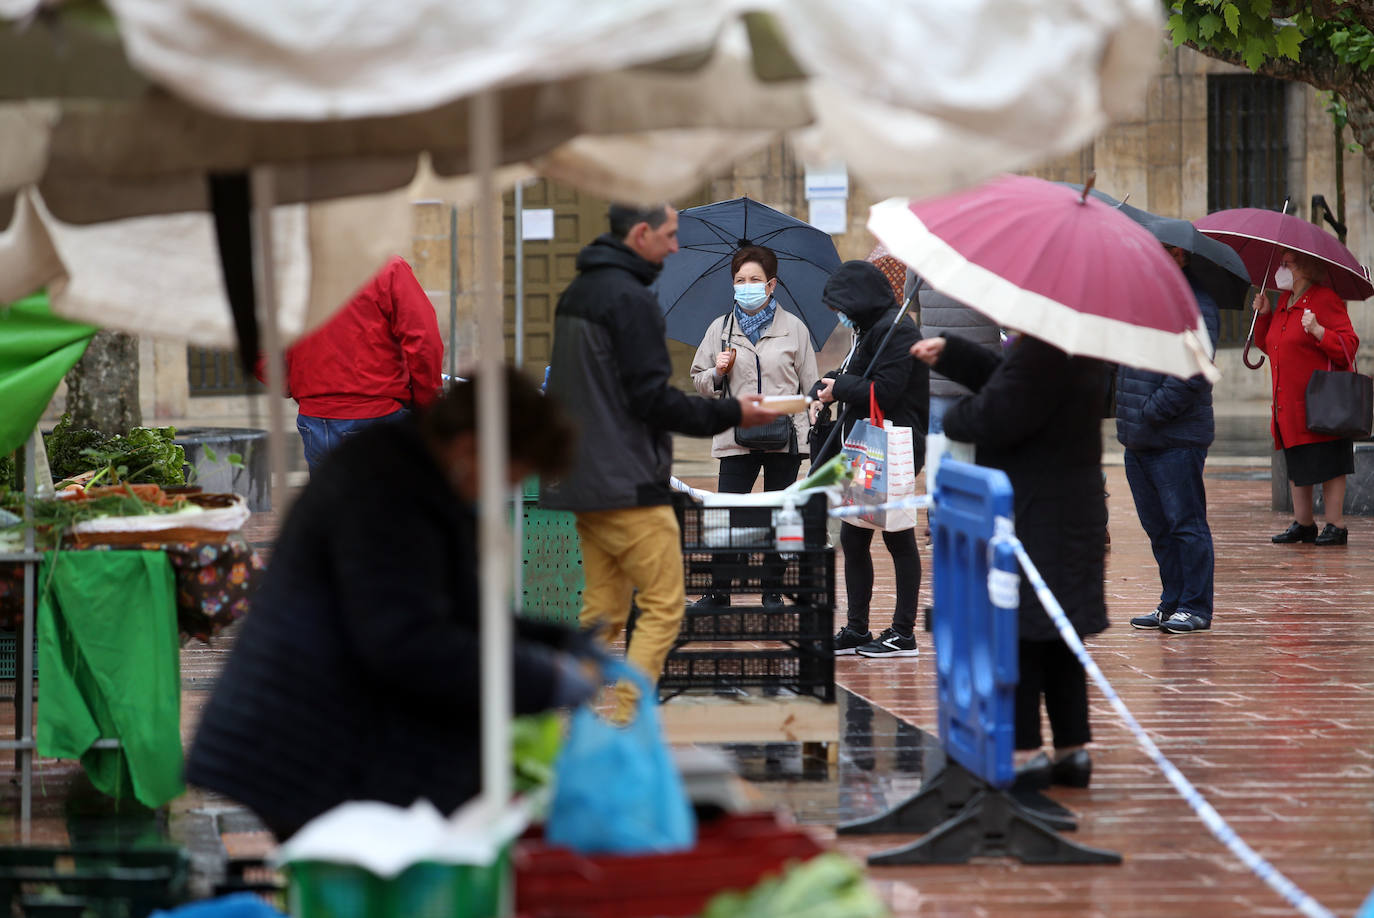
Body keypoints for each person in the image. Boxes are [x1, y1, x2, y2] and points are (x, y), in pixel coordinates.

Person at [185, 369, 602, 841]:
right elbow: (408, 641)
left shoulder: (423, 477)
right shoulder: (385, 485)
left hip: (338, 728)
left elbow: (458, 609)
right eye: (513, 475)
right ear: (471, 448)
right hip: (301, 736)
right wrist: (540, 679)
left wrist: (553, 640)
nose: (505, 491)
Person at [541, 203, 779, 719]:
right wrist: (733, 411)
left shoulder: (577, 293)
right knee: (665, 605)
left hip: (584, 476)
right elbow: (651, 399)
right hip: (626, 478)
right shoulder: (631, 300)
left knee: (602, 611)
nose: (675, 247)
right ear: (642, 233)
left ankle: (565, 721)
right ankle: (627, 721)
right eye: (670, 236)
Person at [912, 330, 1108, 789]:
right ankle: (1071, 750)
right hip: (1069, 510)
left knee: (1021, 633)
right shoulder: (1072, 342)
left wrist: (952, 419)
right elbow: (1012, 384)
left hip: (1037, 513)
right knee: (1061, 634)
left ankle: (1025, 752)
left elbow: (999, 411)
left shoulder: (1043, 350)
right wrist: (956, 356)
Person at [688, 244, 820, 611]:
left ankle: (772, 590)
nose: (747, 285)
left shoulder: (794, 329)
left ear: (771, 284)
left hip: (784, 437)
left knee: (779, 514)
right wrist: (718, 371)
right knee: (726, 514)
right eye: (740, 280)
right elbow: (699, 381)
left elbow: (810, 389)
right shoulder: (720, 329)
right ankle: (719, 592)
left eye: (755, 279)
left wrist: (809, 437)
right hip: (735, 435)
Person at [810, 260, 928, 659]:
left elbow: (887, 391)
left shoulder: (898, 330)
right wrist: (825, 386)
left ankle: (903, 633)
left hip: (892, 447)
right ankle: (857, 628)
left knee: (897, 535)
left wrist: (839, 388)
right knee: (853, 535)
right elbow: (853, 374)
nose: (838, 315)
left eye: (840, 306)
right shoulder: (870, 328)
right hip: (863, 446)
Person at [259, 255, 444, 473]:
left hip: (316, 418)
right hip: (377, 413)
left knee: (332, 503)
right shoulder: (387, 266)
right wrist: (427, 406)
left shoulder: (293, 271)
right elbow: (424, 341)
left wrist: (289, 382)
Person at [1117, 246, 1220, 635]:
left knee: (1185, 524)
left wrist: (1150, 411)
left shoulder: (1196, 304)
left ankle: (1195, 606)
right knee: (1158, 527)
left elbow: (1193, 373)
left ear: (1178, 255)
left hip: (1175, 437)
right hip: (1138, 437)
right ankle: (1172, 601)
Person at [1254, 249, 1361, 546]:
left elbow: (1349, 345)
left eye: (1286, 264)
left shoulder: (1324, 299)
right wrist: (1263, 316)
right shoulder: (1284, 302)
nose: (1280, 269)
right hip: (1288, 403)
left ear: (1304, 268)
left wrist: (1318, 331)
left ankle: (1335, 525)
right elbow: (1272, 344)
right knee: (1297, 462)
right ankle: (1304, 523)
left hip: (1321, 402)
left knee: (1328, 462)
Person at [914, 276, 1001, 491]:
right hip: (984, 371)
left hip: (937, 370)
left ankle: (939, 516)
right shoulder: (993, 253)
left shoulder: (923, 249)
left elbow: (913, 302)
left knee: (941, 451)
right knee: (983, 454)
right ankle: (980, 511)